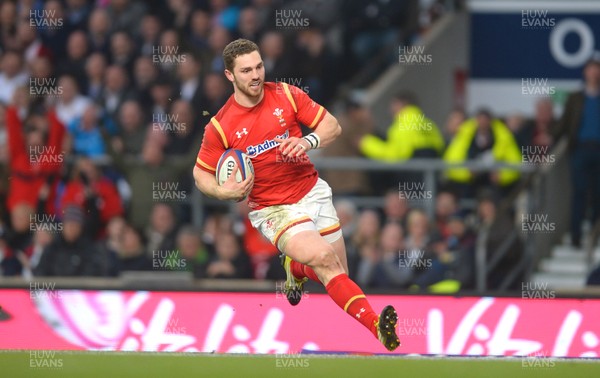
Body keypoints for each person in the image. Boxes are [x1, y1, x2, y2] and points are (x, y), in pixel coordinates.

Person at [192, 39, 400, 351]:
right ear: (229, 76)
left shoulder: (287, 94)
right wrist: (223, 191)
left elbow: (332, 126)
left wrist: (308, 142)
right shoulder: (221, 126)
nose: (256, 75)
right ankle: (376, 326)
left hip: (312, 191)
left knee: (337, 272)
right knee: (325, 260)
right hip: (274, 209)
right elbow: (200, 173)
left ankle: (294, 268)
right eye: (246, 70)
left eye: (259, 66)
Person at [555, 55, 600, 248]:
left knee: (598, 194)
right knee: (579, 192)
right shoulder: (575, 98)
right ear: (585, 72)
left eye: (596, 68)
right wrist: (549, 137)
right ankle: (576, 236)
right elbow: (564, 125)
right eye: (590, 68)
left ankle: (595, 234)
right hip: (580, 149)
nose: (594, 72)